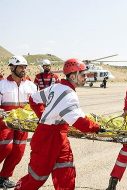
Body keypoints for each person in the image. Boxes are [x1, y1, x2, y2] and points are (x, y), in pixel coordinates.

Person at [15, 58, 102, 190]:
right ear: (73, 76)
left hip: (59, 137)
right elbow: (80, 123)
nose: (86, 77)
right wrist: (97, 127)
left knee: (66, 174)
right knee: (37, 178)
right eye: (83, 74)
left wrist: (42, 115)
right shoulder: (69, 94)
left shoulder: (55, 87)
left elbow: (33, 99)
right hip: (46, 140)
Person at [0, 56, 37, 188]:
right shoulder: (2, 84)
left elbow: (37, 105)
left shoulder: (31, 86)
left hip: (23, 125)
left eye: (25, 67)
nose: (23, 70)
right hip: (5, 123)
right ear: (12, 67)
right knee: (5, 147)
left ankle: (3, 178)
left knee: (18, 151)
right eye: (21, 67)